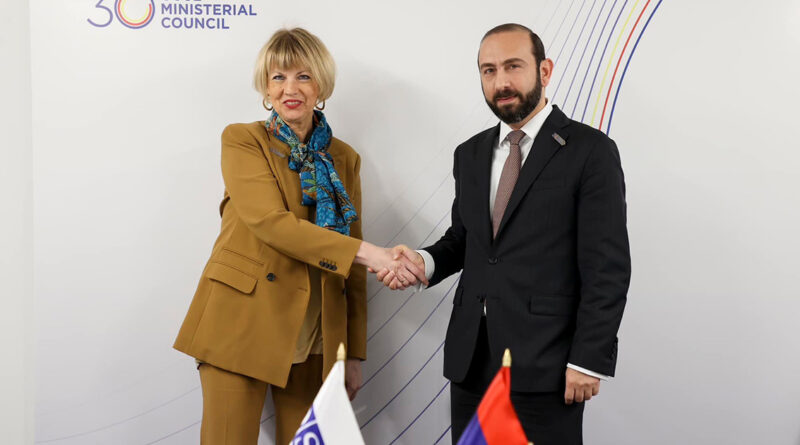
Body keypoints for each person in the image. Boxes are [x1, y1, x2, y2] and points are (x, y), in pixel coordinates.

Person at [378, 23, 631, 444]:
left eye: (513, 66)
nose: (501, 82)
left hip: (548, 365)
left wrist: (588, 359)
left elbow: (607, 267)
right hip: (471, 362)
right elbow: (465, 240)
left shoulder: (591, 151)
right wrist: (422, 262)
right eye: (489, 70)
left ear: (544, 71)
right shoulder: (470, 153)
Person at [173, 27, 426, 445]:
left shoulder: (344, 157)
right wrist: (375, 255)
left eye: (303, 76)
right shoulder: (243, 140)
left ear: (321, 86)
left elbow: (351, 269)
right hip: (241, 323)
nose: (290, 88)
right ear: (265, 87)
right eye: (278, 77)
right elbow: (272, 224)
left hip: (316, 338)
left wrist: (351, 353)